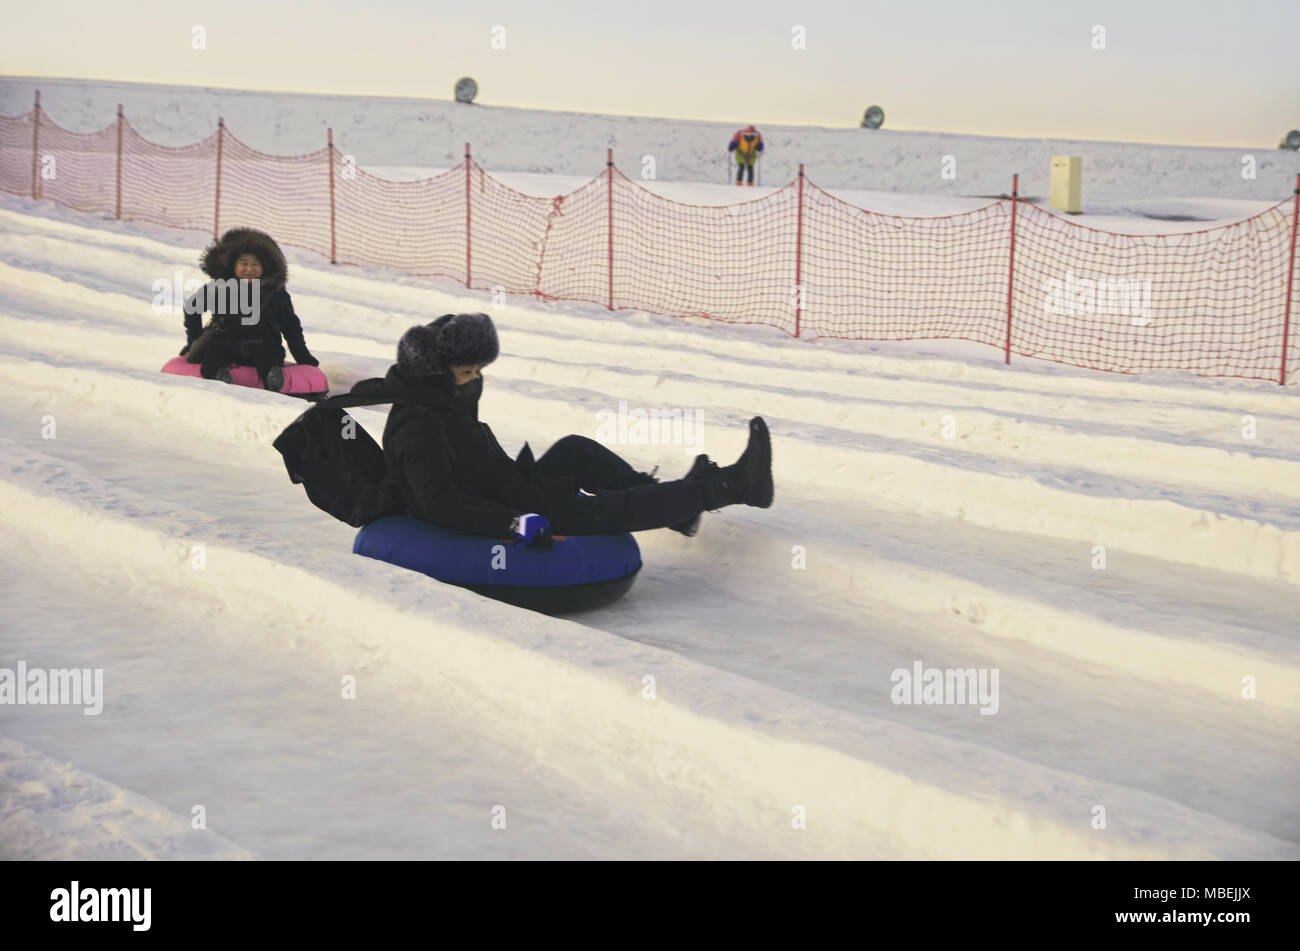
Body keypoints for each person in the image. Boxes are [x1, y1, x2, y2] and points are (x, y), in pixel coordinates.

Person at [365, 313, 773, 546]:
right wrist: (514, 523)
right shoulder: (416, 428)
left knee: (575, 450)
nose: (473, 380)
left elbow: (472, 460)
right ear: (436, 371)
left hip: (510, 486)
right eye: (466, 371)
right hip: (505, 508)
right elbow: (440, 503)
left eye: (478, 371)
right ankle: (735, 487)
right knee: (604, 511)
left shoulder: (447, 398)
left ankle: (679, 513)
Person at [180, 228, 319, 391]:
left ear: (265, 267)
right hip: (227, 344)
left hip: (264, 345)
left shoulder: (276, 294)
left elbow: (291, 327)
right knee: (215, 351)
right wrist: (194, 341)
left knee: (267, 354)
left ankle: (272, 378)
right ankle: (218, 375)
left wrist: (304, 358)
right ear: (232, 264)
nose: (249, 269)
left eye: (255, 264)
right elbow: (192, 308)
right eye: (243, 263)